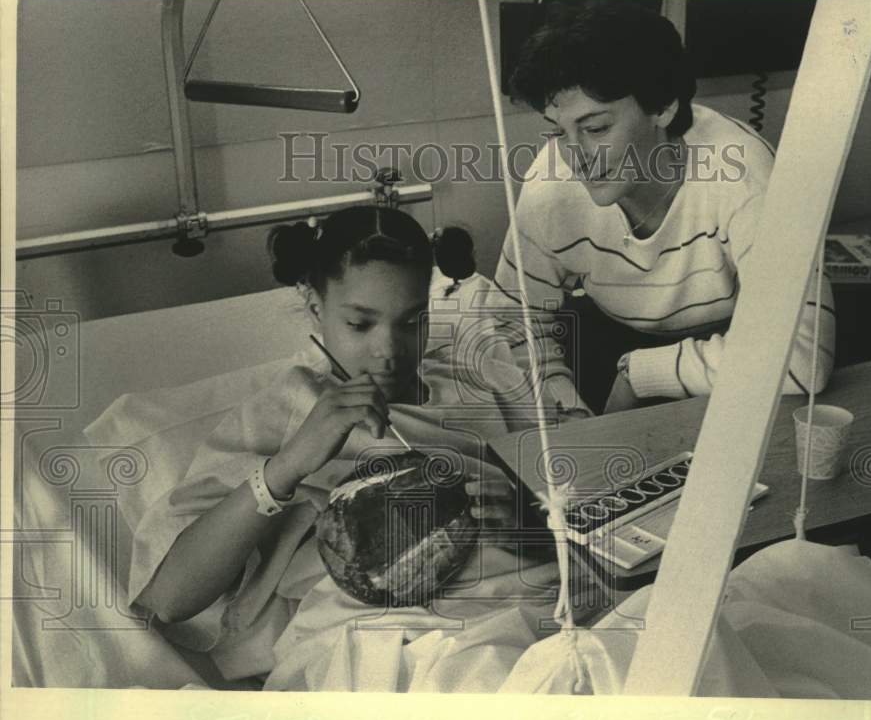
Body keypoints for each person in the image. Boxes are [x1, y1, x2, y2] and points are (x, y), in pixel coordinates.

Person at [127, 206, 558, 684]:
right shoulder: (289, 409)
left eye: (413, 320)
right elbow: (168, 599)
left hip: (529, 606)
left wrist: (529, 520)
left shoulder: (480, 382)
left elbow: (592, 519)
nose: (389, 351)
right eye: (360, 324)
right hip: (383, 638)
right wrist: (288, 466)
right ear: (316, 307)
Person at [491, 0, 836, 413]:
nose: (575, 156)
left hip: (730, 352)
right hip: (606, 340)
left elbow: (803, 358)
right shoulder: (550, 186)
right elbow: (513, 325)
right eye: (558, 133)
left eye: (596, 128)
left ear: (663, 107)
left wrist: (640, 374)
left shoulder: (745, 176)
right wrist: (569, 414)